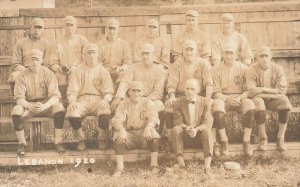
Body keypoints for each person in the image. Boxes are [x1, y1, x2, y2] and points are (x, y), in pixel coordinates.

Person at [11, 49, 65, 155]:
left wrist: (45, 105)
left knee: (59, 109)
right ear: (28, 61)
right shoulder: (22, 75)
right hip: (29, 105)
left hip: (46, 105)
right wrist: (29, 105)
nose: (35, 62)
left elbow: (55, 96)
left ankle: (58, 142)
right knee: (16, 111)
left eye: (37, 59)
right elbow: (18, 98)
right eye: (32, 59)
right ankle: (22, 144)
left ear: (42, 60)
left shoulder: (48, 73)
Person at [164, 40, 213, 151]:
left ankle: (213, 141)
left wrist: (208, 97)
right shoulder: (177, 65)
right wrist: (171, 96)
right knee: (168, 108)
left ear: (196, 51)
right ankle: (171, 141)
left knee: (211, 107)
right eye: (187, 49)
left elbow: (209, 83)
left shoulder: (203, 63)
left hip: (199, 96)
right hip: (181, 96)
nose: (189, 52)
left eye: (192, 49)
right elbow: (171, 85)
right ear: (182, 51)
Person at [66, 44, 114, 151]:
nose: (92, 55)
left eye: (94, 53)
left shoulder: (103, 71)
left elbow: (109, 91)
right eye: (89, 53)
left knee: (105, 109)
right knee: (72, 112)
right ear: (84, 55)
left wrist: (106, 99)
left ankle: (101, 138)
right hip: (82, 100)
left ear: (97, 54)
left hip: (98, 99)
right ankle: (81, 139)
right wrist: (72, 101)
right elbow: (72, 91)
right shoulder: (78, 70)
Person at [211, 42, 256, 157]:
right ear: (222, 54)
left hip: (240, 97)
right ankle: (224, 140)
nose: (229, 56)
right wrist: (226, 98)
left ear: (236, 54)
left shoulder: (244, 68)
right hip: (223, 97)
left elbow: (249, 90)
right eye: (227, 53)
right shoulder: (216, 69)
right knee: (217, 106)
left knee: (250, 105)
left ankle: (247, 141)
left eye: (232, 53)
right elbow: (215, 91)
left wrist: (241, 97)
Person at [246, 46, 293, 151]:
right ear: (257, 58)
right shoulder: (251, 70)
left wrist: (261, 89)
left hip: (273, 100)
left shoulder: (278, 69)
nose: (264, 58)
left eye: (266, 56)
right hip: (259, 100)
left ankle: (280, 138)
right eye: (261, 56)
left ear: (271, 57)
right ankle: (263, 138)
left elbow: (282, 90)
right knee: (258, 102)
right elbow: (252, 92)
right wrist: (272, 92)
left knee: (284, 101)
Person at [111, 81, 161, 177]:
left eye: (139, 91)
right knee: (118, 135)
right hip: (129, 134)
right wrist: (122, 130)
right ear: (129, 92)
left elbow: (154, 118)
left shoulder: (148, 103)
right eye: (133, 90)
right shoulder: (123, 104)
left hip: (143, 135)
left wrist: (148, 128)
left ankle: (154, 165)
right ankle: (119, 168)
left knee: (153, 133)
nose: (136, 93)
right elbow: (116, 120)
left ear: (142, 92)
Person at [171, 79, 213, 175]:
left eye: (192, 89)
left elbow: (207, 122)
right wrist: (187, 128)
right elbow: (178, 121)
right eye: (187, 89)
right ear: (184, 90)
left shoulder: (206, 102)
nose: (189, 92)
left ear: (198, 90)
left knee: (207, 130)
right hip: (186, 135)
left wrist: (196, 129)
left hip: (200, 135)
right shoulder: (178, 103)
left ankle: (207, 167)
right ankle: (182, 165)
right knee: (176, 129)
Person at [112, 43, 166, 114]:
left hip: (150, 100)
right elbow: (125, 83)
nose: (145, 56)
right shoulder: (133, 67)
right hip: (133, 98)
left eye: (147, 53)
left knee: (159, 105)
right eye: (143, 54)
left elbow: (158, 92)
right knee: (119, 104)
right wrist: (119, 97)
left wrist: (143, 102)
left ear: (153, 55)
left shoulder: (160, 71)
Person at [50, 16, 88, 107]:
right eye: (67, 25)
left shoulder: (82, 40)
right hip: (62, 71)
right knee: (58, 78)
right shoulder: (57, 42)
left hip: (79, 70)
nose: (69, 28)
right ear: (63, 26)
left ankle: (75, 103)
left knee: (74, 76)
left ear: (76, 27)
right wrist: (60, 68)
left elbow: (87, 60)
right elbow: (53, 62)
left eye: (72, 25)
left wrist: (76, 67)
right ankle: (62, 104)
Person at [8, 18, 52, 94]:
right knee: (13, 77)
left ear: (43, 29)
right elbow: (16, 64)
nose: (37, 30)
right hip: (24, 70)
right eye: (35, 27)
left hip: (40, 70)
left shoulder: (47, 44)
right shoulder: (20, 43)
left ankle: (46, 99)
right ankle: (17, 99)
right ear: (30, 28)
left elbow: (47, 65)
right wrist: (27, 71)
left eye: (40, 27)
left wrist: (37, 70)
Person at [97, 18, 133, 85]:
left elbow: (128, 62)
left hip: (119, 71)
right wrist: (104, 70)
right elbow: (97, 61)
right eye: (110, 28)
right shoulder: (100, 44)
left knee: (125, 76)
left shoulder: (124, 44)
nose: (112, 31)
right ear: (106, 29)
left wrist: (121, 68)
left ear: (118, 30)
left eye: (114, 29)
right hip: (105, 70)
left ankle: (118, 93)